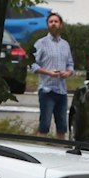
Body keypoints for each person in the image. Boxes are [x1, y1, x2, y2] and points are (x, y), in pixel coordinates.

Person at [33, 11, 74, 139]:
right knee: (44, 125)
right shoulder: (41, 43)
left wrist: (68, 72)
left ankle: (60, 154)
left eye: (56, 22)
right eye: (51, 22)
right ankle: (40, 151)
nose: (53, 24)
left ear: (60, 24)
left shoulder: (65, 45)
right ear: (47, 25)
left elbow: (70, 64)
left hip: (62, 91)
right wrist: (48, 72)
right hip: (47, 90)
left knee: (62, 126)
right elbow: (33, 65)